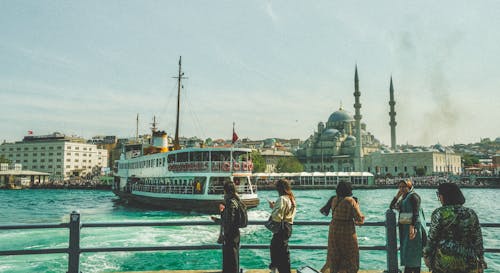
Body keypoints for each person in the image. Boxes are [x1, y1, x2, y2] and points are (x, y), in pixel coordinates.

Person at [423, 183, 487, 273]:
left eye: (439, 194)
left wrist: (426, 256)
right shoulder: (471, 213)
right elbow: (478, 239)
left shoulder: (439, 213)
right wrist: (481, 258)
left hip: (444, 262)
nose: (439, 198)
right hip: (468, 261)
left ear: (445, 195)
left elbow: (432, 238)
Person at [320, 181, 365, 273]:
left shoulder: (333, 199)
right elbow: (359, 220)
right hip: (346, 230)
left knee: (335, 253)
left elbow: (324, 212)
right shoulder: (350, 200)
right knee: (350, 255)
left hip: (333, 228)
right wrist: (357, 205)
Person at [389, 179, 425, 273]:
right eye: (400, 187)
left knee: (414, 251)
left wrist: (412, 228)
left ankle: (413, 270)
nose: (402, 189)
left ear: (409, 186)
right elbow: (392, 206)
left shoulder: (414, 196)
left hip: (413, 227)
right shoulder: (403, 198)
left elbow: (416, 213)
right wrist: (397, 196)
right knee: (407, 251)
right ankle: (408, 270)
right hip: (405, 227)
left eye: (404, 187)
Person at [211, 181, 241, 273]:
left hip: (230, 235)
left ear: (225, 191)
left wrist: (220, 216)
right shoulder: (236, 200)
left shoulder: (230, 202)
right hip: (235, 233)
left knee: (229, 259)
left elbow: (229, 220)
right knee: (234, 258)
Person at [268, 179, 297, 273]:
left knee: (275, 249)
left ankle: (275, 268)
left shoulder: (282, 199)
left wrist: (273, 208)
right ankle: (283, 269)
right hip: (289, 226)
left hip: (281, 228)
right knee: (284, 251)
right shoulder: (292, 198)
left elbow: (277, 216)